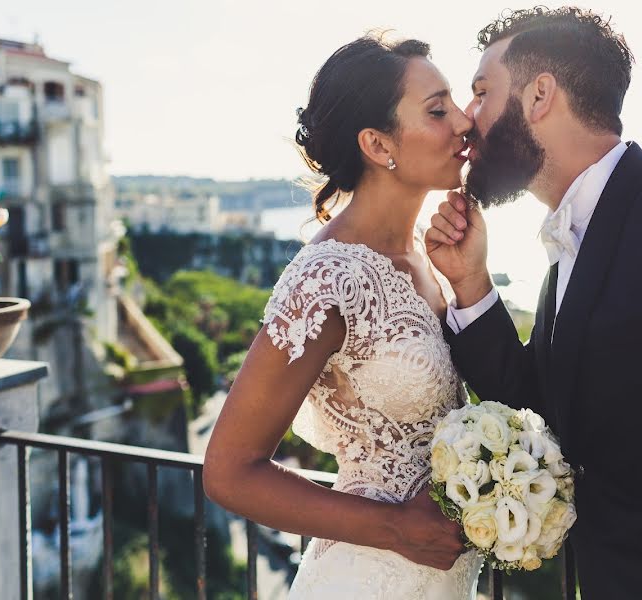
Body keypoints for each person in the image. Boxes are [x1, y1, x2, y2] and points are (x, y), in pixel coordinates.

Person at [425, 7, 642, 599]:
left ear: (540, 95)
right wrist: (471, 284)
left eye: (482, 92)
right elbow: (546, 420)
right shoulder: (564, 256)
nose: (466, 118)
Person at [204, 34, 481, 598]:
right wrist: (396, 527)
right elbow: (229, 470)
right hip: (365, 580)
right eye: (437, 110)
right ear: (379, 145)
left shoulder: (429, 262)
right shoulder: (327, 279)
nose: (464, 122)